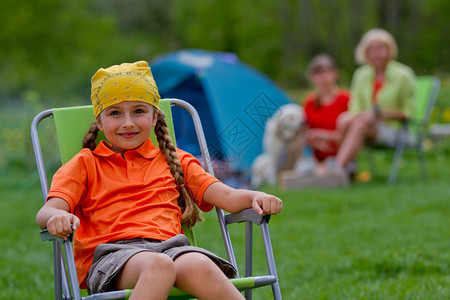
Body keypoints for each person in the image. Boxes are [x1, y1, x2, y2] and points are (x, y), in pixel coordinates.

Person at [36, 61, 282, 300]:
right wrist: (56, 217)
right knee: (158, 265)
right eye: (115, 113)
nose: (128, 122)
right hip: (113, 256)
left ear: (155, 117)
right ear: (99, 121)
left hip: (173, 248)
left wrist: (255, 196)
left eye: (139, 111)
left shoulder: (175, 160)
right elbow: (48, 210)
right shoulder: (85, 164)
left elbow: (227, 197)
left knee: (200, 264)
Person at [335, 28, 415, 174]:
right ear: (364, 52)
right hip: (366, 125)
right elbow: (354, 107)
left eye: (381, 48)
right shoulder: (361, 75)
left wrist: (380, 115)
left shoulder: (403, 75)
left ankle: (338, 169)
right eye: (371, 49)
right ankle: (348, 167)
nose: (376, 53)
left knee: (360, 124)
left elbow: (409, 112)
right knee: (343, 119)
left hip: (395, 130)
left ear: (390, 49)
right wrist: (365, 116)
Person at [302, 54, 350, 174]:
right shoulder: (310, 102)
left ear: (335, 73)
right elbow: (304, 132)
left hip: (342, 156)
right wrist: (314, 140)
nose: (322, 77)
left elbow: (351, 135)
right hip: (315, 157)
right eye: (317, 73)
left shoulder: (346, 99)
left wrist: (324, 136)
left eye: (326, 72)